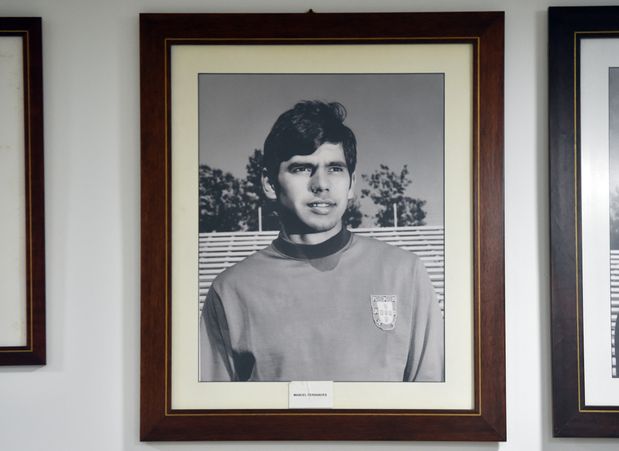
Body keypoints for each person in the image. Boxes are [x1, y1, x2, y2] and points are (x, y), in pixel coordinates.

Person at [199, 100, 444, 382]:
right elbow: (212, 405)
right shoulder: (231, 290)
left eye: (335, 168)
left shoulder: (405, 273)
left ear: (351, 183)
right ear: (269, 183)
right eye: (302, 168)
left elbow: (433, 396)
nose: (321, 184)